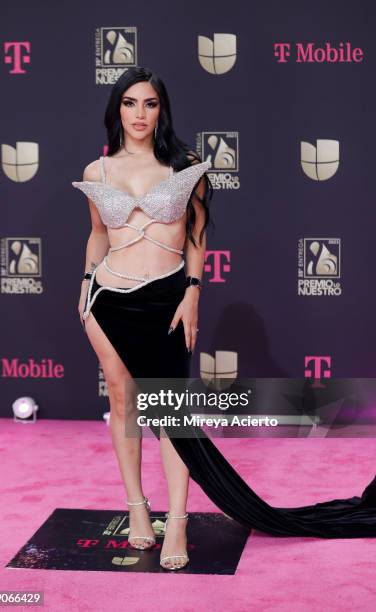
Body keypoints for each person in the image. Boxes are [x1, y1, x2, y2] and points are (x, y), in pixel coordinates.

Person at [72, 67, 376, 572]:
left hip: (166, 299)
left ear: (161, 109)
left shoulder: (186, 166)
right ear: (116, 110)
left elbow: (195, 236)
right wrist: (85, 289)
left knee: (170, 413)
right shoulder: (98, 171)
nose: (139, 114)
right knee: (123, 400)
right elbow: (98, 235)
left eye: (149, 104)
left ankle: (179, 520)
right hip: (107, 300)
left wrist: (192, 295)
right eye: (129, 104)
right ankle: (137, 510)